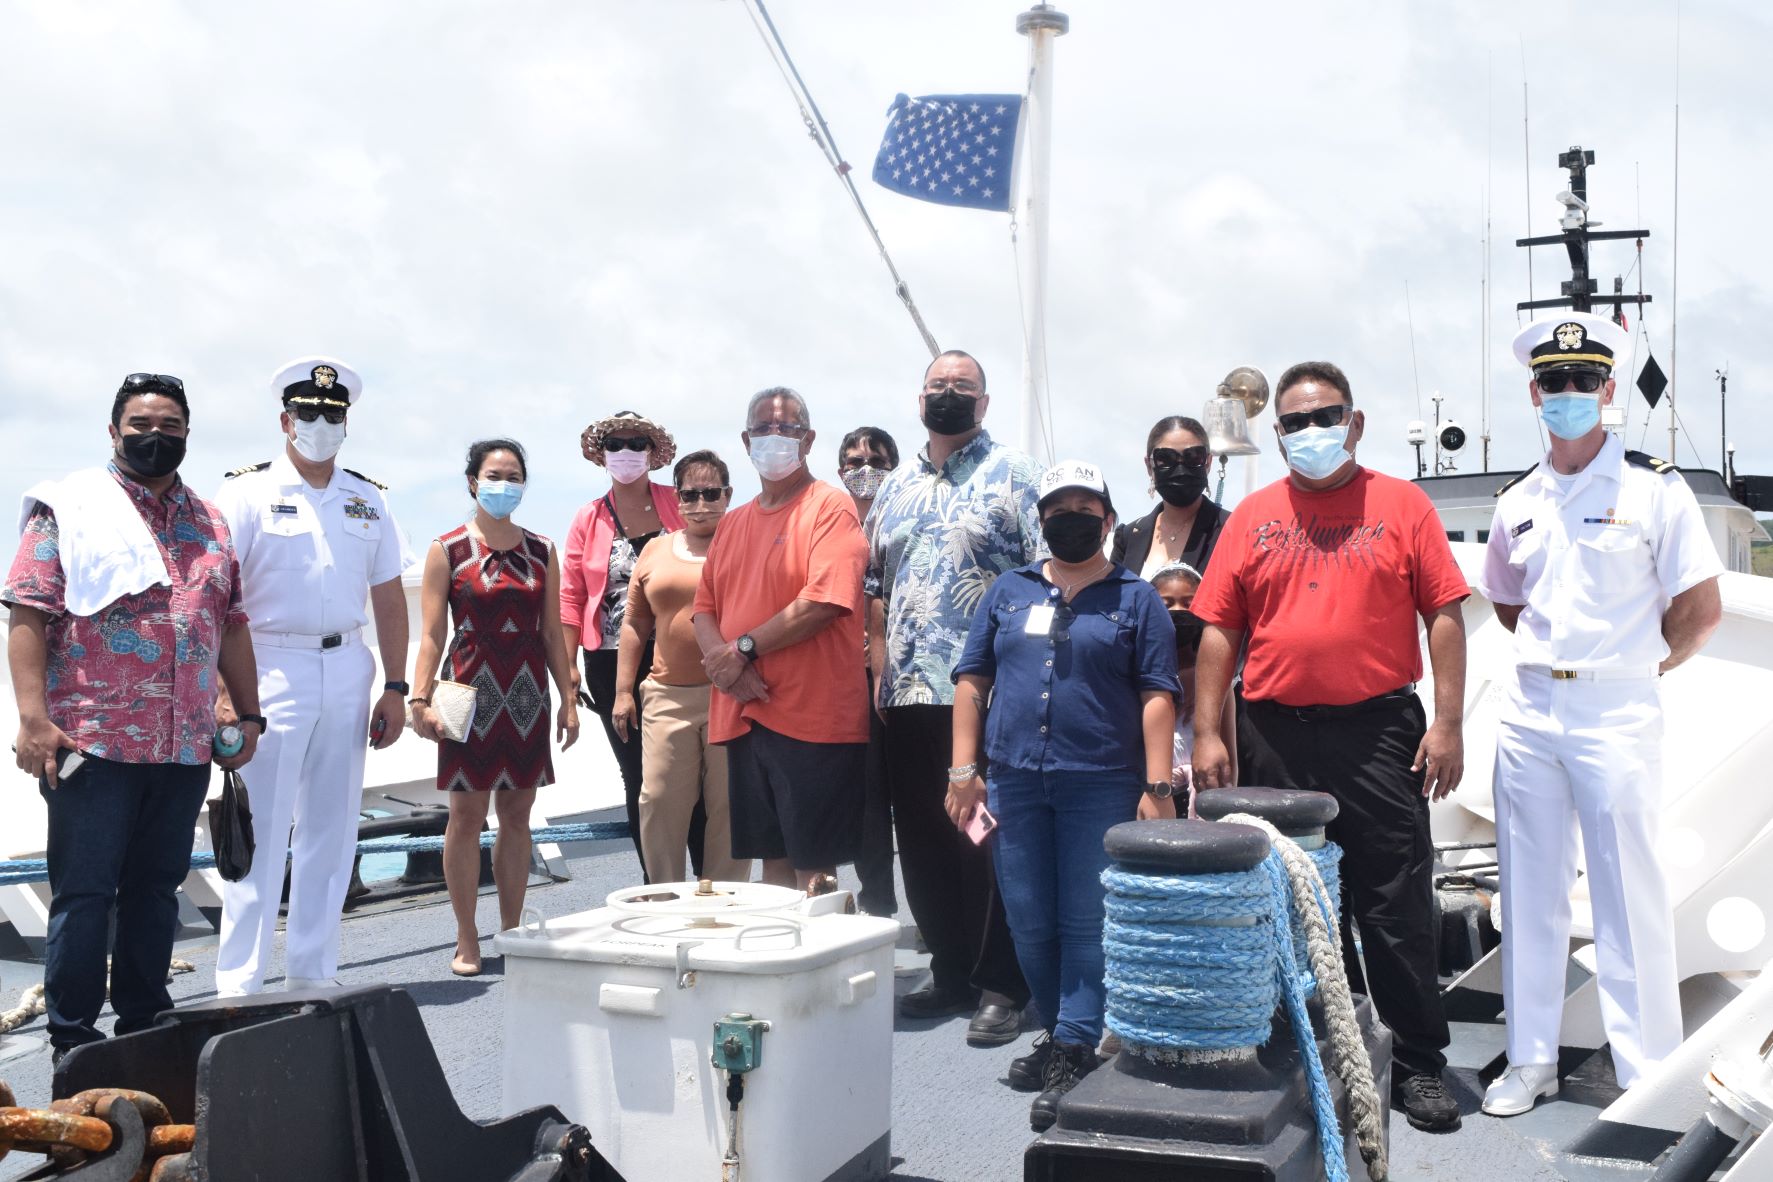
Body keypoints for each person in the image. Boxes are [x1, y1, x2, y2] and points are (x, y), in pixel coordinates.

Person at [1191, 360, 1469, 1133]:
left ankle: (1417, 1061)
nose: (1310, 432)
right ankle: (1316, 1040)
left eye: (1325, 416)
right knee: (1290, 897)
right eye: (1293, 422)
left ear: (1354, 422)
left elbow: (1443, 616)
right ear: (1275, 434)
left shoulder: (1402, 504)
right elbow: (1220, 628)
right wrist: (1207, 729)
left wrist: (1446, 723)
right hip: (1273, 734)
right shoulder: (1250, 515)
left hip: (1379, 733)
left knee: (1393, 902)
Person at [1477, 313, 1723, 1115]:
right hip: (1528, 708)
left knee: (1627, 889)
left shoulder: (1655, 488)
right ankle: (1529, 1061)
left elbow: (1699, 606)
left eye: (1584, 380)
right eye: (1554, 382)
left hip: (1615, 707)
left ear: (1608, 390)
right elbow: (1509, 603)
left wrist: (1639, 666)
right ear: (1533, 393)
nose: (1569, 394)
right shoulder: (1515, 499)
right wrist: (1558, 666)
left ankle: (1644, 1069)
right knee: (1528, 888)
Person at [5, 373, 262, 1055]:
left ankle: (146, 1026)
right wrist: (32, 720)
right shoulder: (68, 509)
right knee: (85, 895)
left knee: (156, 891)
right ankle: (74, 1040)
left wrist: (247, 713)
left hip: (183, 745)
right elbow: (29, 613)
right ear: (114, 431)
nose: (156, 436)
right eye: (142, 424)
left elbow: (227, 624)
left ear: (186, 433)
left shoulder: (209, 521)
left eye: (170, 425)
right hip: (93, 741)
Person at [951, 460, 1180, 1131]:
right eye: (1057, 508)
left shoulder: (1135, 597)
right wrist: (961, 772)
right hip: (1015, 780)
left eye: (1085, 507)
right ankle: (1060, 1034)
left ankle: (1075, 1047)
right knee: (1028, 919)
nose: (1070, 518)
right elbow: (971, 681)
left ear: (1108, 520)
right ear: (1040, 519)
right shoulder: (1007, 591)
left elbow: (1157, 692)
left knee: (1085, 921)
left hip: (1101, 781)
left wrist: (1157, 786)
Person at [213, 356, 414, 996]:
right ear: (285, 420)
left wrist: (395, 685)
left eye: (333, 414)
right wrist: (224, 693)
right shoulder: (243, 493)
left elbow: (388, 596)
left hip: (349, 665)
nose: (321, 424)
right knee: (260, 829)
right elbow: (218, 598)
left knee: (332, 828)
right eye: (309, 413)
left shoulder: (367, 498)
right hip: (268, 664)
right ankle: (238, 984)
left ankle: (313, 972)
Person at [865, 350, 1037, 1046]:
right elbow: (875, 588)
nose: (947, 395)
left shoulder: (1015, 474)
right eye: (937, 386)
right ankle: (948, 967)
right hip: (905, 693)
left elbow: (1042, 572)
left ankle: (1002, 979)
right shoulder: (894, 485)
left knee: (985, 838)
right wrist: (879, 669)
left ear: (983, 402)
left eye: (961, 387)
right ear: (918, 398)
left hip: (987, 693)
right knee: (926, 839)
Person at [410, 439, 580, 976]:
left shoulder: (542, 550)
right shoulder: (448, 549)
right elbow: (433, 635)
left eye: (513, 475)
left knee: (517, 816)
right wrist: (418, 698)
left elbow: (552, 631)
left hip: (528, 690)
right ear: (472, 481)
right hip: (468, 690)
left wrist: (569, 699)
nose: (504, 484)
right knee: (465, 817)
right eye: (493, 474)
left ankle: (510, 930)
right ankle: (466, 936)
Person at [691, 387, 868, 890]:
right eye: (763, 429)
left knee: (816, 872)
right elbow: (703, 609)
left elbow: (824, 601)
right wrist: (726, 668)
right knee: (773, 870)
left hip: (813, 718)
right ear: (746, 441)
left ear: (808, 439)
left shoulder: (832, 507)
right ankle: (784, 968)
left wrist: (741, 652)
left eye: (787, 429)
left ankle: (827, 963)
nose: (774, 438)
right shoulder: (733, 523)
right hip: (743, 716)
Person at [613, 449, 751, 884]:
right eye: (690, 494)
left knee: (729, 807)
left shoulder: (746, 546)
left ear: (728, 495)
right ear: (677, 497)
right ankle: (664, 901)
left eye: (712, 493)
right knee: (657, 799)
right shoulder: (654, 550)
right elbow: (635, 622)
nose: (701, 503)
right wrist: (622, 691)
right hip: (666, 695)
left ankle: (725, 901)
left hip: (731, 694)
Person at [561, 411, 686, 882]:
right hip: (612, 665)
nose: (626, 451)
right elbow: (571, 595)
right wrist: (569, 669)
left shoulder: (680, 502)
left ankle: (709, 885)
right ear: (602, 455)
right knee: (640, 779)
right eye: (616, 443)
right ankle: (659, 885)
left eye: (636, 442)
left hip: (680, 655)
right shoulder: (587, 518)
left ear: (653, 453)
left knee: (690, 773)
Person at [839, 425, 900, 916]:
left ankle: (944, 914)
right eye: (854, 462)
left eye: (876, 462)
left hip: (908, 677)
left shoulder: (905, 519)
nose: (864, 471)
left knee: (921, 796)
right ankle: (876, 902)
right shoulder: (830, 524)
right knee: (865, 803)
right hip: (844, 682)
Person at [1150, 561, 1233, 813]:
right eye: (1166, 605)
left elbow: (1230, 743)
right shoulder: (1141, 675)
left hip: (1205, 792)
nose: (1178, 611)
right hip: (1155, 791)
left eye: (1188, 604)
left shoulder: (1218, 677)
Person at [1111, 416, 1230, 578]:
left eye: (1193, 457)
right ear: (1149, 466)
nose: (1180, 469)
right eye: (1166, 458)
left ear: (1208, 462)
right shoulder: (1128, 537)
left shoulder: (1231, 529)